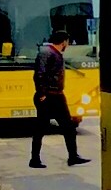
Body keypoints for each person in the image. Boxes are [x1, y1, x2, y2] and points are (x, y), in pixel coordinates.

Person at [30, 31, 87, 168]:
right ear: (64, 41)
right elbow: (39, 74)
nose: (68, 45)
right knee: (41, 128)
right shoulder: (46, 53)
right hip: (49, 96)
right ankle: (35, 159)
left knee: (68, 127)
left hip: (57, 95)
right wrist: (42, 93)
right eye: (68, 42)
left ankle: (73, 156)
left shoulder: (55, 53)